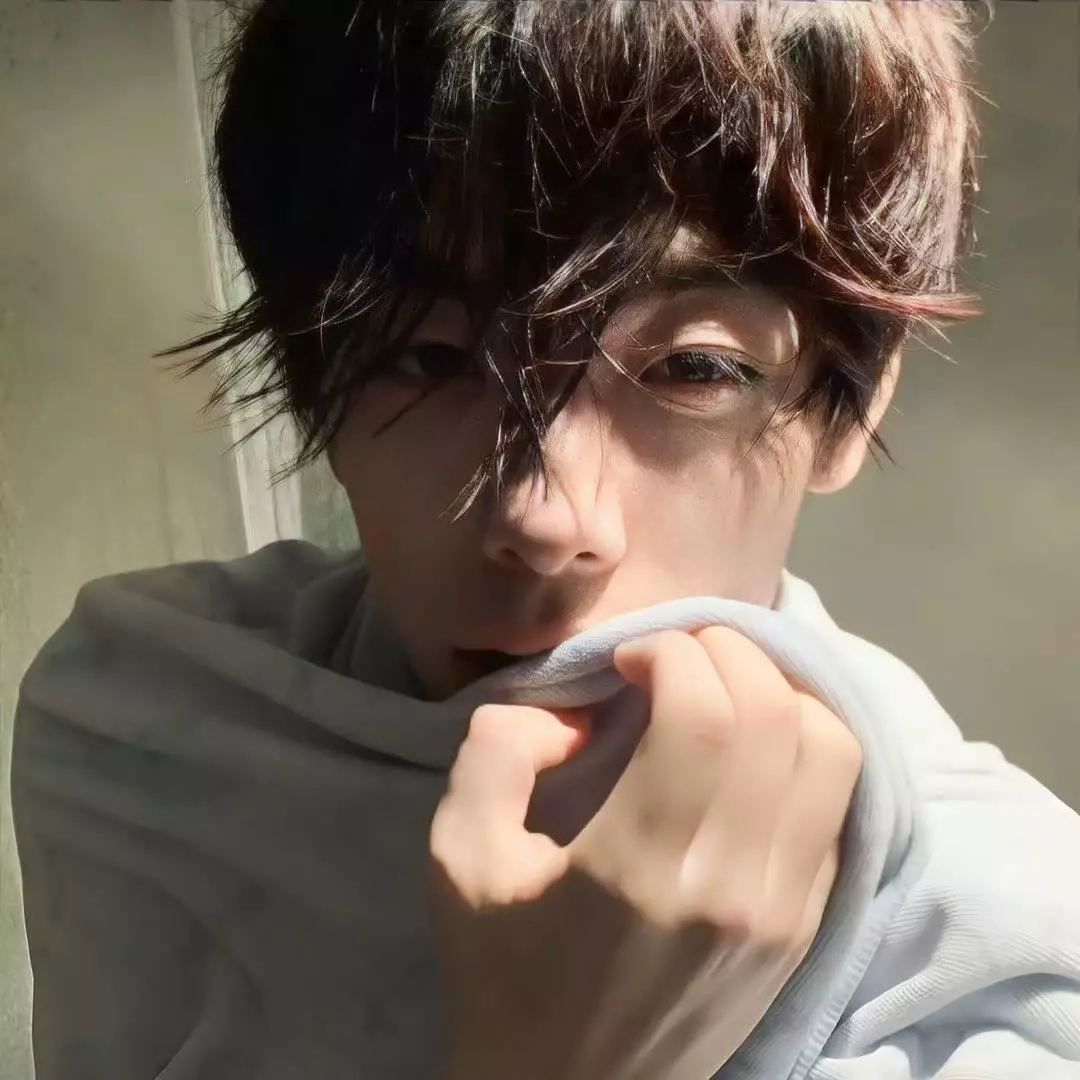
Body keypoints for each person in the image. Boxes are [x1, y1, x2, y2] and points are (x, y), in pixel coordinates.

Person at [12, 2, 1080, 1078]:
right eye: (428, 357)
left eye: (694, 368)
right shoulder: (150, 720)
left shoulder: (991, 945)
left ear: (847, 412)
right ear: (315, 386)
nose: (540, 518)